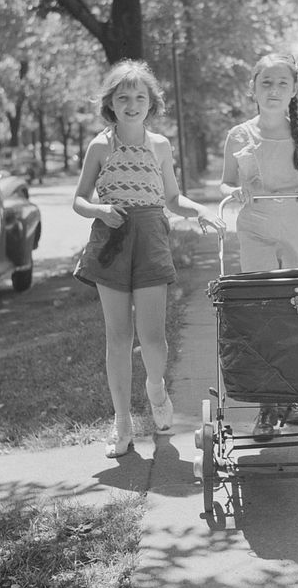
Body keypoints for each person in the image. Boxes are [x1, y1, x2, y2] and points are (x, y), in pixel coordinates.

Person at [73, 60, 224, 458]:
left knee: (153, 339)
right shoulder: (101, 145)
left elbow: (173, 198)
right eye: (123, 97)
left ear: (151, 103)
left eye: (140, 97)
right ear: (111, 104)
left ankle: (155, 386)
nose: (132, 103)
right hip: (112, 239)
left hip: (152, 238)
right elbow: (80, 198)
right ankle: (122, 422)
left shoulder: (160, 145)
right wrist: (99, 211)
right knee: (118, 337)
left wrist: (201, 211)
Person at [220, 52, 298, 442]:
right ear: (252, 89)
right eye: (265, 82)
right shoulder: (239, 135)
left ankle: (292, 397)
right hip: (256, 230)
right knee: (262, 311)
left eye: (282, 83)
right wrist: (234, 191)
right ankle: (267, 405)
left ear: (294, 90)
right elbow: (225, 183)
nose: (273, 90)